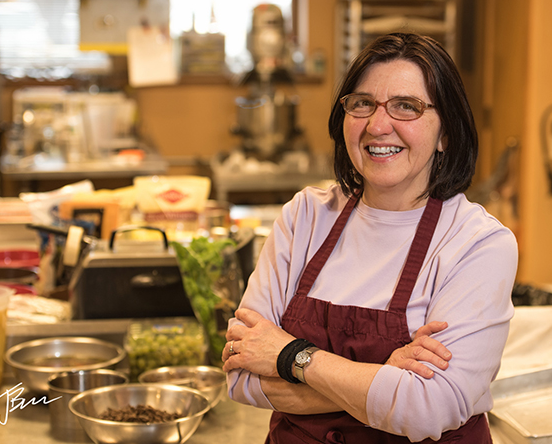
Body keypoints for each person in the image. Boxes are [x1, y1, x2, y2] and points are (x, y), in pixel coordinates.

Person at [221, 32, 518, 443]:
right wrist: (384, 377)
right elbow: (240, 374)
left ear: (445, 133)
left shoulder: (477, 243)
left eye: (406, 107)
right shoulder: (305, 217)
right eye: (362, 103)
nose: (378, 126)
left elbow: (428, 408)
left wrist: (289, 355)